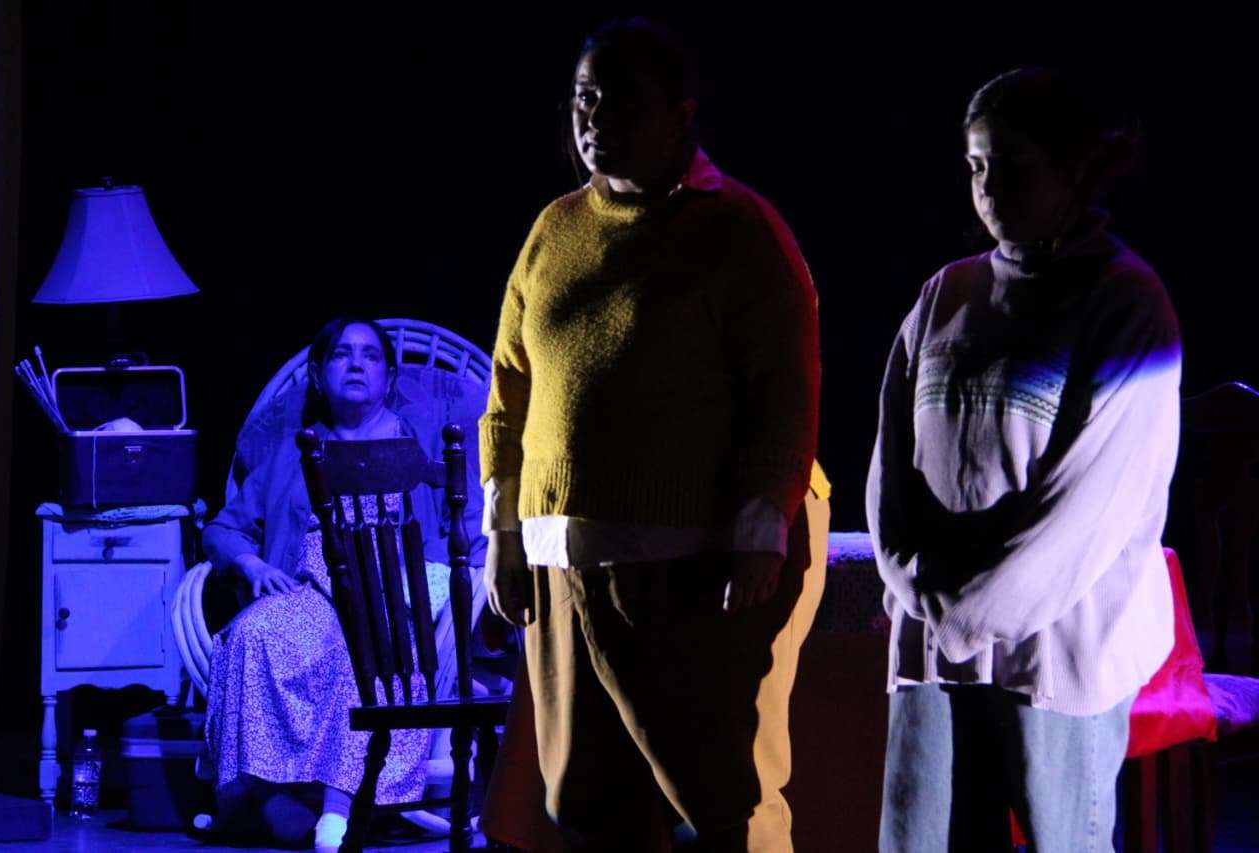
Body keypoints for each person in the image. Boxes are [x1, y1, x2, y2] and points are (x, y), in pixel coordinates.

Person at [479, 18, 827, 853]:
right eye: (583, 98)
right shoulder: (555, 228)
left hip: (689, 565)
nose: (594, 118)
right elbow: (509, 388)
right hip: (561, 558)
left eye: (621, 101)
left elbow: (784, 390)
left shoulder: (737, 229)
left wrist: (761, 524)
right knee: (585, 803)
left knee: (718, 796)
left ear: (680, 114)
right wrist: (503, 532)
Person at [866, 68, 1181, 852]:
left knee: (1061, 837)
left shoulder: (1126, 302)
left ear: (1073, 168)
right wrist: (911, 582)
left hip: (1058, 644)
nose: (988, 185)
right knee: (929, 835)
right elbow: (890, 467)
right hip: (937, 634)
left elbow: (1088, 509)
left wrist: (965, 613)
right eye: (976, 165)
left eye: (1013, 166)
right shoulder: (947, 294)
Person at [202, 316, 487, 852]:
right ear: (318, 374)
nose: (357, 364)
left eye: (371, 356)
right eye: (341, 355)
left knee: (369, 646)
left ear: (388, 377)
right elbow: (224, 528)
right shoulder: (295, 453)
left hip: (397, 591)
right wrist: (252, 565)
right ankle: (270, 797)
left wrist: (476, 580)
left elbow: (472, 528)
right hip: (311, 589)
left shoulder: (421, 445)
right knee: (250, 634)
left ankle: (338, 805)